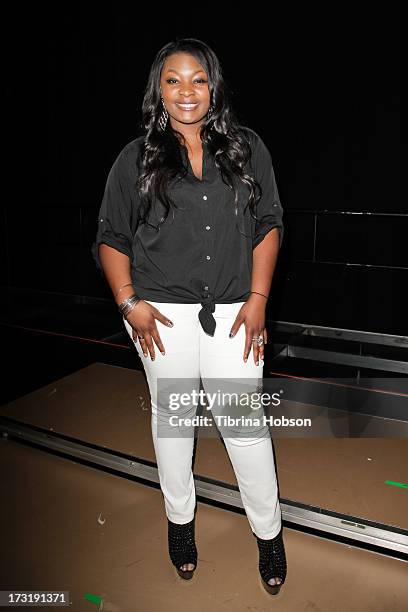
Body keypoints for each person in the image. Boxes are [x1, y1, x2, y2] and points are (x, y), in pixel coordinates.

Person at [91, 37, 287, 595]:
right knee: (173, 426)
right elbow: (112, 236)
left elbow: (269, 223)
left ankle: (269, 533)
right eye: (173, 79)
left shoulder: (248, 149)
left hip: (235, 312)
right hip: (161, 319)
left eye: (197, 79)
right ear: (159, 88)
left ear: (213, 86)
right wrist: (129, 304)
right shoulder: (134, 158)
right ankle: (180, 526)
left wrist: (258, 299)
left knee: (244, 428)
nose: (186, 91)